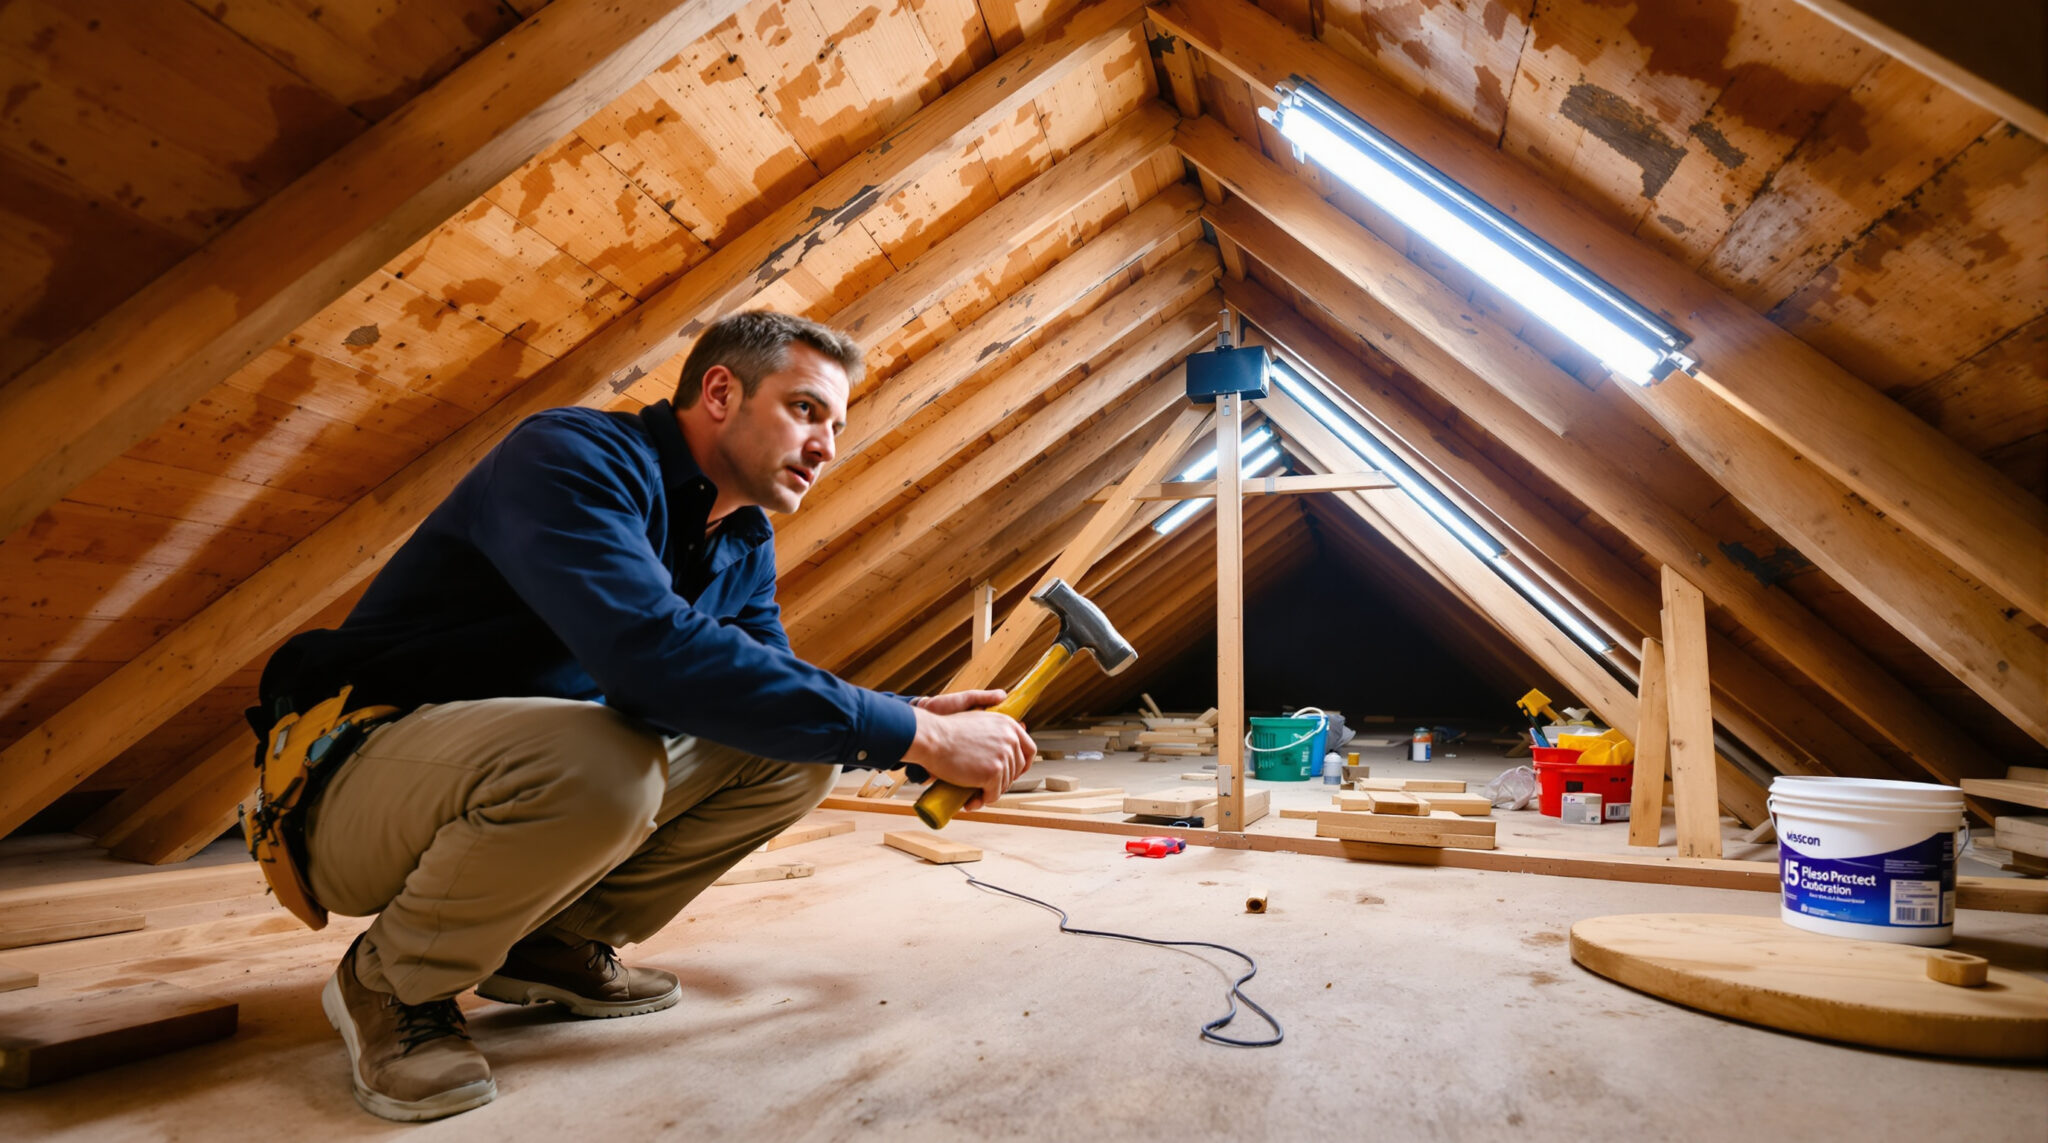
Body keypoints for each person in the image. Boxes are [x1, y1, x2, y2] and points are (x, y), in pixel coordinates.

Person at [252, 311, 1035, 1122]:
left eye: (837, 424)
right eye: (806, 410)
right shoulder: (569, 457)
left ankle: (544, 944)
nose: (827, 446)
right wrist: (922, 734)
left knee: (793, 754)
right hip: (347, 780)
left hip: (508, 772)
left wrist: (911, 726)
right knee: (605, 762)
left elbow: (767, 680)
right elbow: (649, 654)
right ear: (722, 392)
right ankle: (390, 979)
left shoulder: (741, 539)